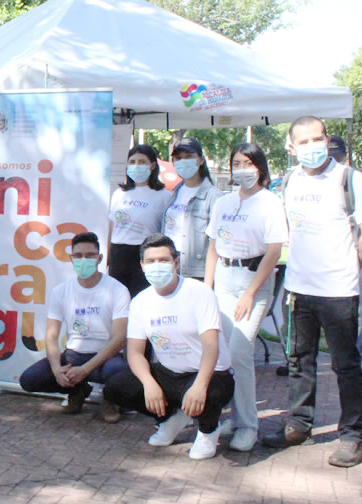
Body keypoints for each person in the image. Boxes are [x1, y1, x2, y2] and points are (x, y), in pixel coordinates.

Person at [262, 116, 362, 468]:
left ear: (327, 139)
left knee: (346, 366)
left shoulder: (350, 178)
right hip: (299, 291)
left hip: (339, 292)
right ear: (291, 146)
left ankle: (351, 436)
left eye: (318, 139)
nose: (312, 147)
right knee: (300, 363)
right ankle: (298, 425)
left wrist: (348, 268)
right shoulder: (291, 181)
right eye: (304, 141)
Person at [103, 234, 235, 460]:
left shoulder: (199, 292)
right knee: (117, 387)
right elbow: (134, 352)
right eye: (151, 261)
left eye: (163, 260)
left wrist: (199, 386)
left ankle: (208, 430)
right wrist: (148, 384)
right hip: (170, 373)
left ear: (176, 262)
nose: (157, 266)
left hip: (209, 373)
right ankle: (170, 419)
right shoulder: (140, 301)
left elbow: (211, 346)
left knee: (212, 391)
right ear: (142, 265)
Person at [203, 142, 287, 452]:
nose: (242, 169)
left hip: (254, 280)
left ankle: (248, 425)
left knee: (239, 350)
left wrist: (251, 294)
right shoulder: (224, 202)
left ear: (260, 167)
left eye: (248, 163)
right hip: (224, 278)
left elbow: (274, 250)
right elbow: (212, 246)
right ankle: (235, 418)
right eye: (236, 163)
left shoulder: (270, 203)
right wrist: (208, 289)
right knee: (225, 353)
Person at [18, 232, 129, 422]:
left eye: (89, 255)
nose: (83, 260)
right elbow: (51, 337)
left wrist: (85, 370)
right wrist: (56, 370)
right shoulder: (61, 291)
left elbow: (119, 339)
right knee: (29, 380)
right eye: (78, 256)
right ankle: (77, 390)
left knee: (119, 374)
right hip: (73, 356)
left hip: (106, 357)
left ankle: (110, 399)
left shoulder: (117, 289)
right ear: (71, 258)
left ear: (100, 258)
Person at [327, 135, 362, 372]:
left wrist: (356, 262)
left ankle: (356, 362)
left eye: (337, 155)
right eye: (329, 155)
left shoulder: (353, 181)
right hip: (322, 263)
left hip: (351, 259)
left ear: (345, 156)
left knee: (354, 314)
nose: (333, 159)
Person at [108, 145, 171, 297]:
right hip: (119, 253)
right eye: (132, 162)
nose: (136, 166)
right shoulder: (119, 194)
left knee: (143, 297)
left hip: (146, 252)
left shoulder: (164, 196)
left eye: (142, 162)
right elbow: (111, 228)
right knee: (118, 300)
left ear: (153, 165)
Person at [163, 137, 222, 282]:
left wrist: (208, 283)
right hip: (170, 264)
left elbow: (215, 243)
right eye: (178, 158)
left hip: (196, 270)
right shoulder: (174, 192)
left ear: (201, 160)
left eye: (189, 157)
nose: (183, 161)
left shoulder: (214, 196)